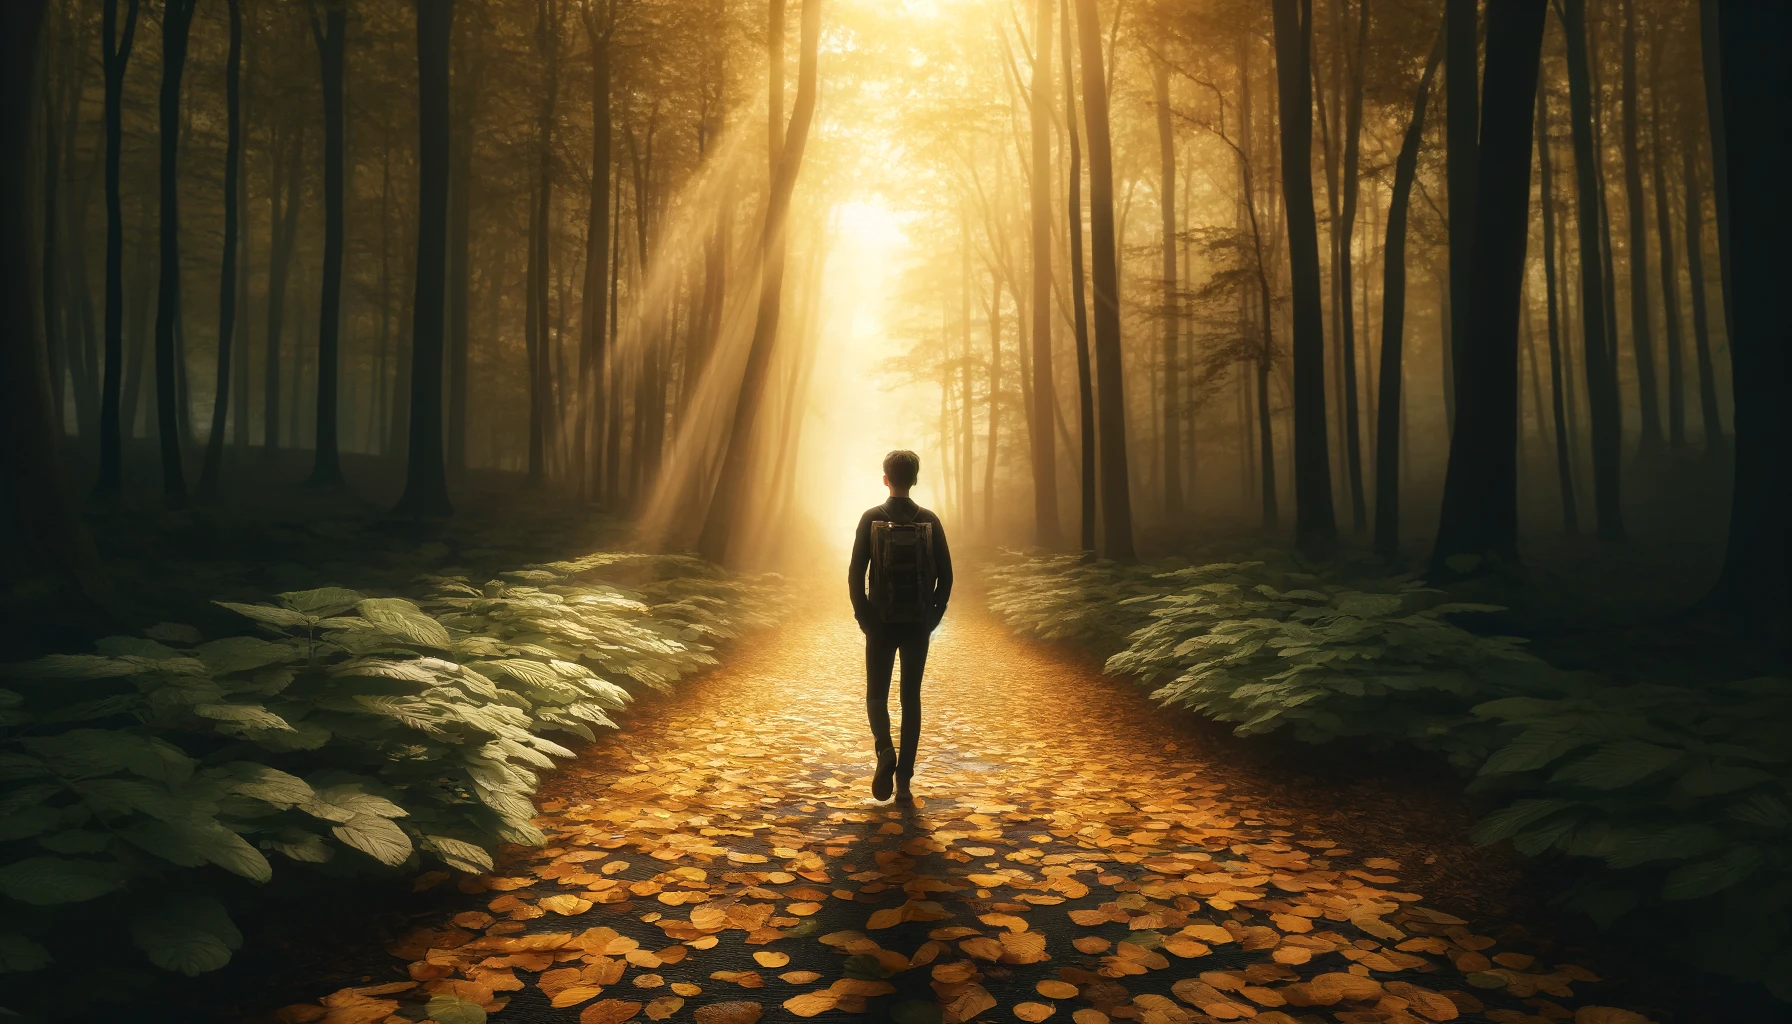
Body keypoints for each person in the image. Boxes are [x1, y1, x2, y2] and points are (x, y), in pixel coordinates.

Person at [847, 450, 953, 803]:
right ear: (915, 478)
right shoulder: (930, 520)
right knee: (911, 698)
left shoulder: (870, 518)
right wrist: (932, 618)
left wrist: (865, 617)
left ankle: (884, 751)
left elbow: (855, 573)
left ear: (885, 478)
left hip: (880, 622)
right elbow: (947, 576)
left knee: (876, 694)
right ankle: (904, 780)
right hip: (917, 624)